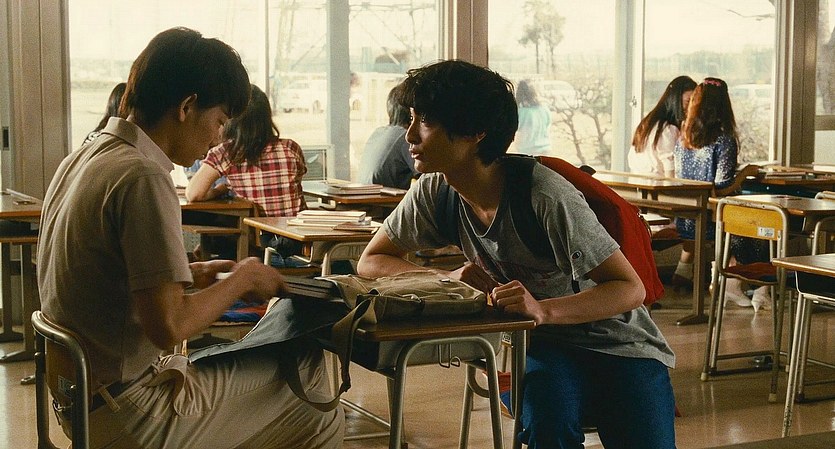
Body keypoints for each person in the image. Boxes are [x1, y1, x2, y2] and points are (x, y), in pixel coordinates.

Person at [37, 27, 343, 449]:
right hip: (133, 414)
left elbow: (102, 278)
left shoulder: (83, 158)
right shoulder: (144, 176)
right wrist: (243, 279)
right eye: (220, 121)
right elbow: (170, 327)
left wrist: (191, 274)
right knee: (313, 387)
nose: (218, 137)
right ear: (186, 107)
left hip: (79, 404)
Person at [356, 60, 676, 449]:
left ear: (475, 132)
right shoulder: (433, 191)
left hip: (622, 343)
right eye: (410, 118)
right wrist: (444, 279)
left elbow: (629, 289)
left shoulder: (543, 195)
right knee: (547, 424)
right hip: (546, 345)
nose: (409, 134)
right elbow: (371, 261)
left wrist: (544, 311)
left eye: (425, 121)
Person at [673, 77, 769, 309]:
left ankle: (735, 286)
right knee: (761, 226)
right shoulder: (723, 139)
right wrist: (746, 173)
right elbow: (722, 187)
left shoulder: (684, 138)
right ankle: (759, 288)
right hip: (709, 218)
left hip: (686, 217)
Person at [186, 84, 308, 265]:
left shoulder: (227, 153)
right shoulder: (290, 147)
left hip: (262, 252)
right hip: (304, 249)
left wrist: (220, 190)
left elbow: (193, 194)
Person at [629, 75, 696, 177]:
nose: (691, 107)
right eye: (688, 101)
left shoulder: (647, 124)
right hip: (657, 184)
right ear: (676, 100)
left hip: (637, 183)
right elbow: (669, 173)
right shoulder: (668, 130)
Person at [357, 82, 418, 189]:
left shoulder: (378, 132)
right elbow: (428, 175)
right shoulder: (405, 137)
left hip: (364, 194)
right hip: (384, 198)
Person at [515, 79, 551, 154]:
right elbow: (547, 126)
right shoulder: (544, 109)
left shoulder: (520, 112)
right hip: (545, 149)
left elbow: (517, 132)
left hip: (526, 151)